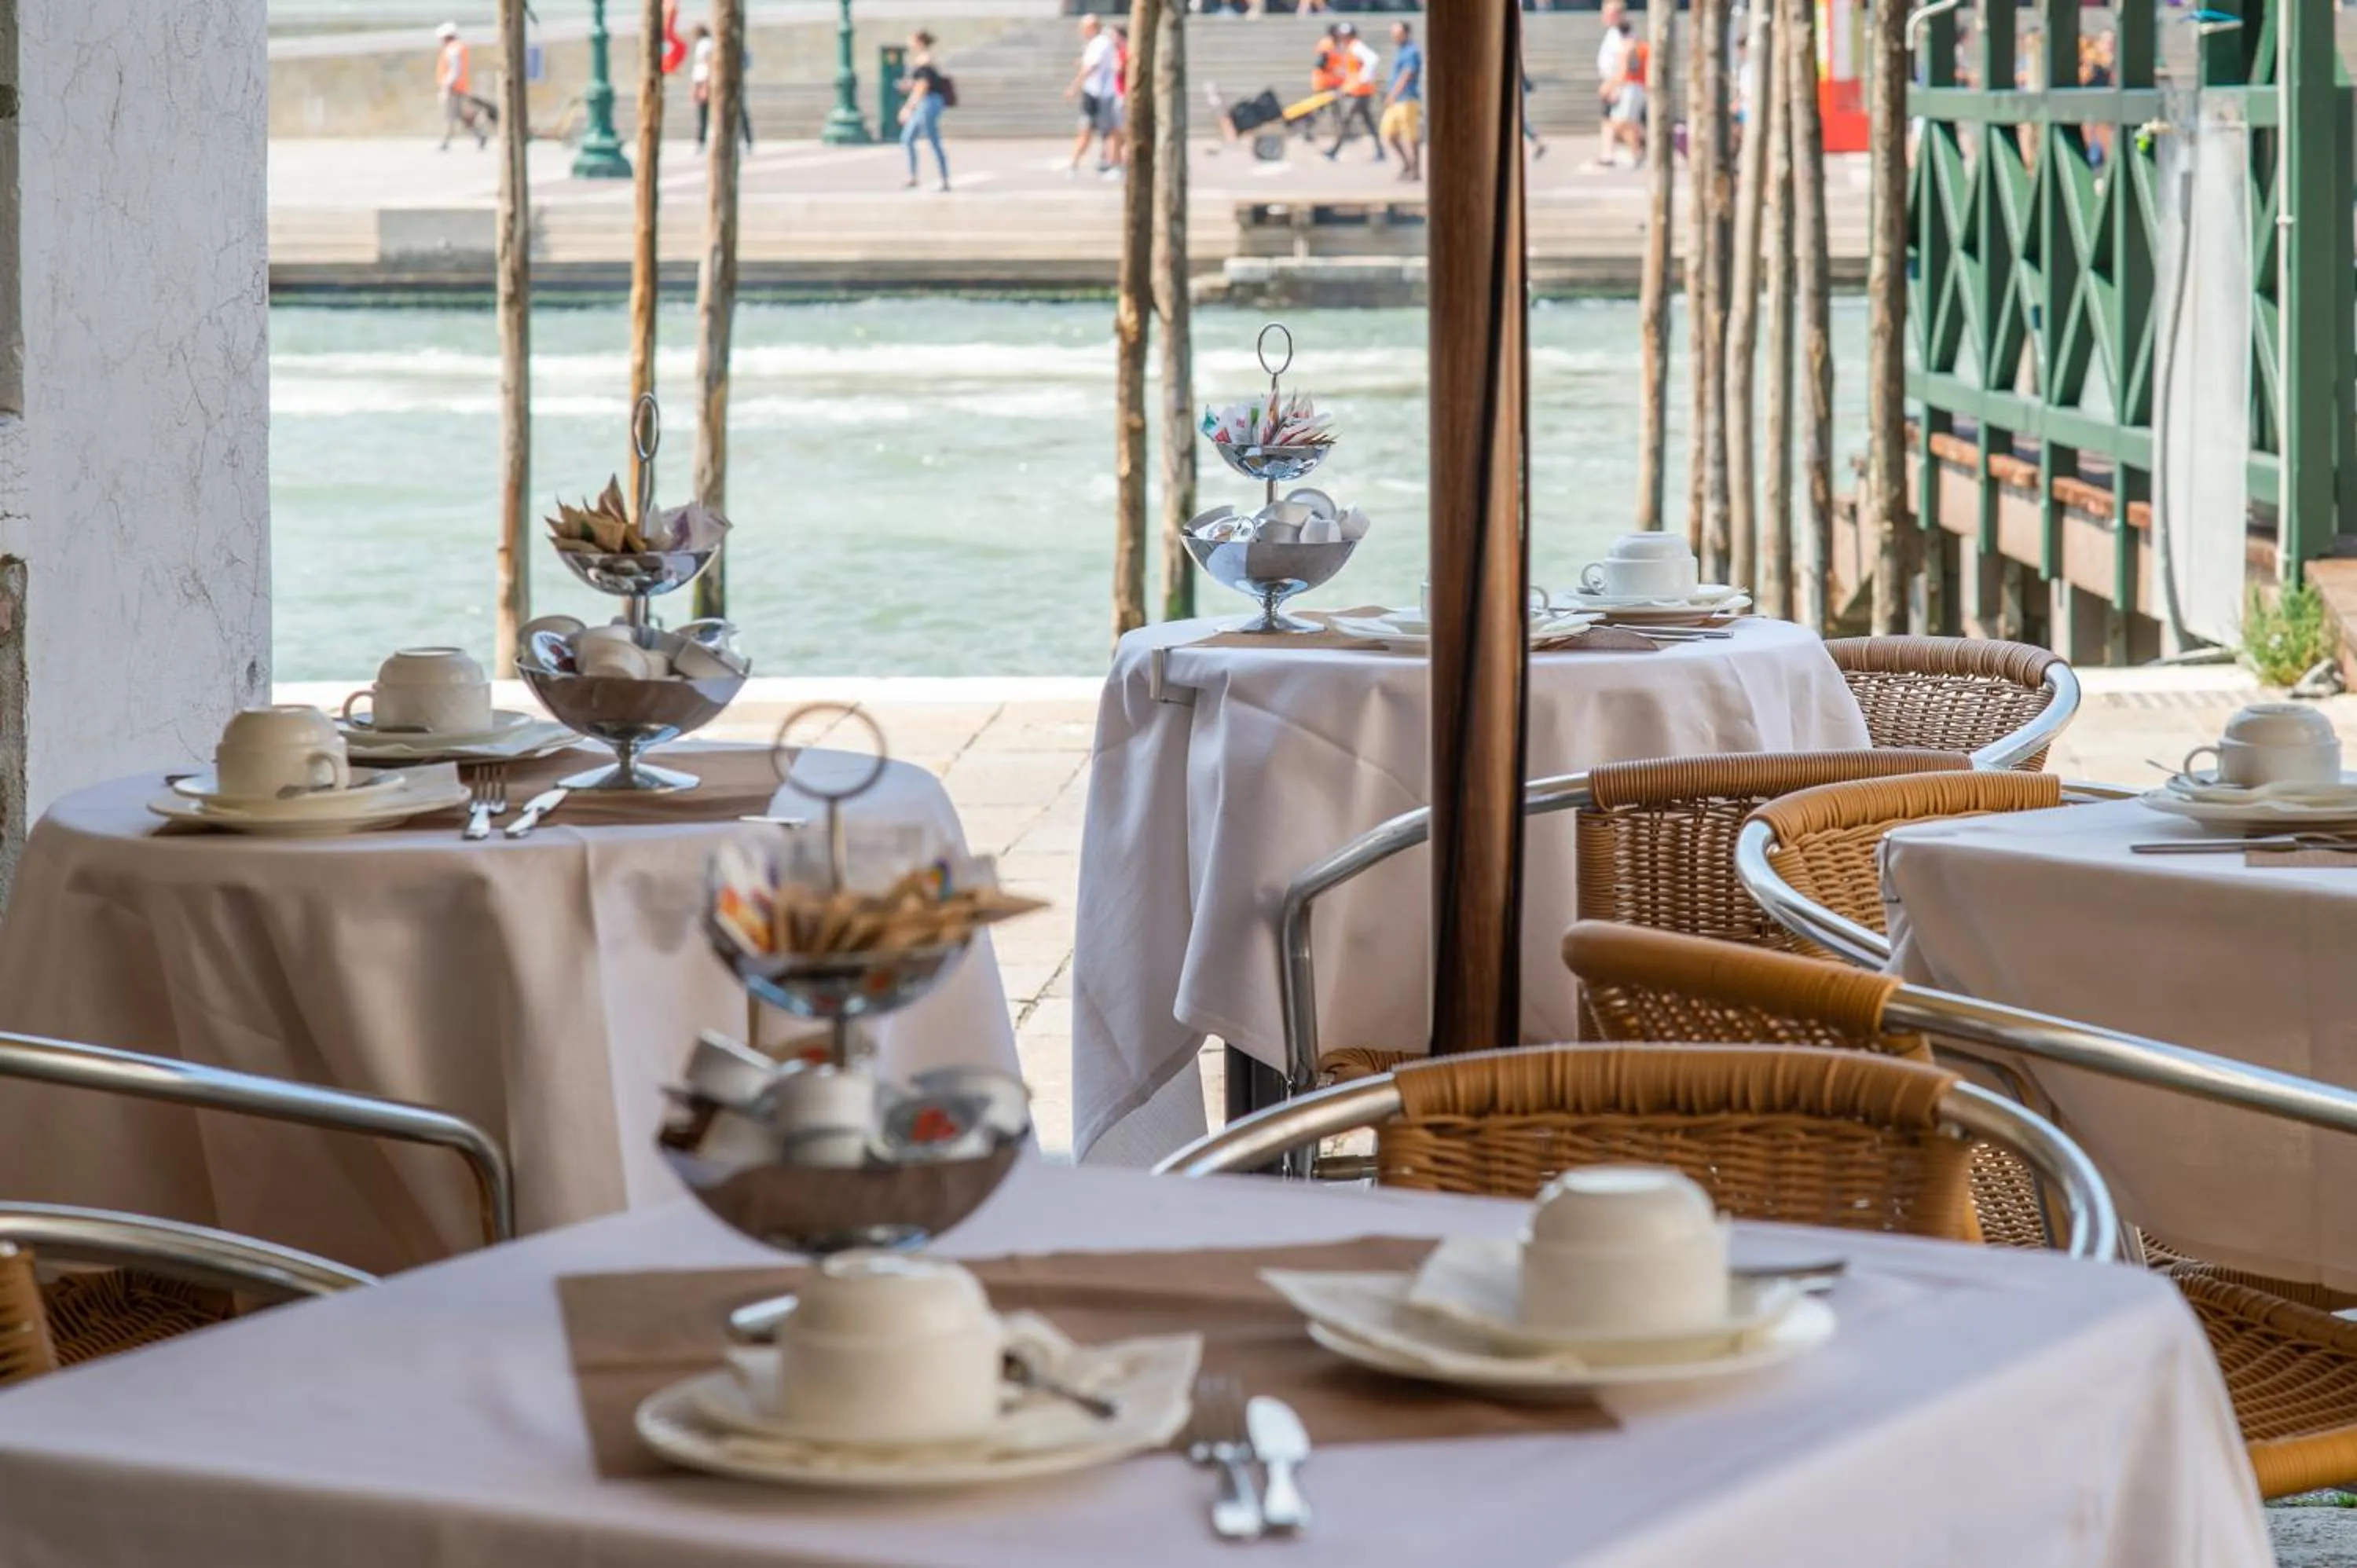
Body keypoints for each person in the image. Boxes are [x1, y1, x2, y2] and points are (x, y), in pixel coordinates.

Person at [1063, 15, 1122, 177]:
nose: (1082, 32)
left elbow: (1091, 68)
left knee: (1109, 131)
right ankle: (1075, 165)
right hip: (1093, 93)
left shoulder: (1101, 42)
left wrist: (1073, 88)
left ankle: (1114, 165)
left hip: (1103, 94)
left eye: (1084, 28)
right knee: (1086, 130)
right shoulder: (1093, 44)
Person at [898, 30, 951, 192]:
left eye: (912, 40)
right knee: (908, 138)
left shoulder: (925, 59)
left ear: (919, 41)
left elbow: (923, 85)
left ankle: (943, 179)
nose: (909, 43)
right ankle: (914, 177)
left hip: (929, 102)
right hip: (926, 101)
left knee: (932, 138)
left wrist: (908, 108)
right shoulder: (923, 59)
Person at [690, 23, 753, 150]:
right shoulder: (715, 44)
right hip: (722, 81)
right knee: (736, 111)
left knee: (708, 112)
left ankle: (705, 141)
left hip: (712, 81)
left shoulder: (705, 45)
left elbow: (708, 64)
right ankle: (745, 139)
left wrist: (703, 85)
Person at [1324, 22, 1381, 161]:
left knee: (1347, 121)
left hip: (1360, 92)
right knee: (1368, 122)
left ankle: (1335, 150)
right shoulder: (1350, 48)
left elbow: (1373, 59)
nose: (1342, 38)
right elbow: (1354, 69)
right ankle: (1381, 151)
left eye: (1345, 35)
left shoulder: (1356, 46)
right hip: (1358, 90)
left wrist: (1362, 79)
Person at [434, 23, 491, 152]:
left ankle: (445, 141)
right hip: (460, 88)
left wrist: (447, 85)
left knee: (449, 116)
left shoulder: (452, 49)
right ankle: (480, 136)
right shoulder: (458, 47)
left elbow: (455, 70)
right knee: (461, 116)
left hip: (453, 89)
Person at [1380, 20, 1423, 181]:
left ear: (1405, 34)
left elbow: (1407, 74)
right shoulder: (1401, 50)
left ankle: (1416, 170)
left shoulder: (1412, 51)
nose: (1394, 37)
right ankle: (1407, 164)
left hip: (1407, 98)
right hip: (1397, 99)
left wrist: (1393, 93)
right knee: (1389, 134)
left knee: (1410, 135)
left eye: (1396, 34)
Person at [1591, 0, 1629, 167]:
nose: (1604, 16)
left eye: (1608, 13)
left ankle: (1637, 148)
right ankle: (1608, 153)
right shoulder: (1613, 33)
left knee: (1621, 122)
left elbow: (1624, 61)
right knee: (1608, 120)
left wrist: (1613, 84)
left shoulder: (1622, 33)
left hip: (1618, 83)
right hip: (1611, 81)